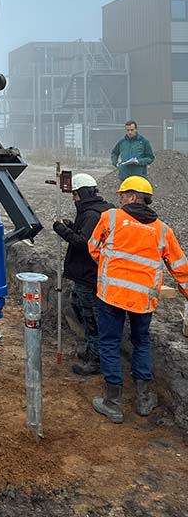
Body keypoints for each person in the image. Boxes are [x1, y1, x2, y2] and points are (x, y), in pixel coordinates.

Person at [88, 175, 188, 423]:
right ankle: (143, 399)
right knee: (141, 342)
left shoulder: (111, 217)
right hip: (143, 300)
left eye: (122, 195)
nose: (119, 199)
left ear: (132, 197)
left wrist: (111, 267)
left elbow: (93, 247)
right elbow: (180, 267)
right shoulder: (163, 230)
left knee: (109, 343)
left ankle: (112, 402)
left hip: (111, 295)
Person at [53, 174, 114, 376]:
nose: (73, 199)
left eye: (75, 195)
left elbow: (84, 243)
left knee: (91, 316)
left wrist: (63, 231)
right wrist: (73, 228)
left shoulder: (91, 214)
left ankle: (96, 359)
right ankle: (91, 349)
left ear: (81, 193)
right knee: (78, 304)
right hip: (88, 273)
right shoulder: (98, 210)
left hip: (89, 275)